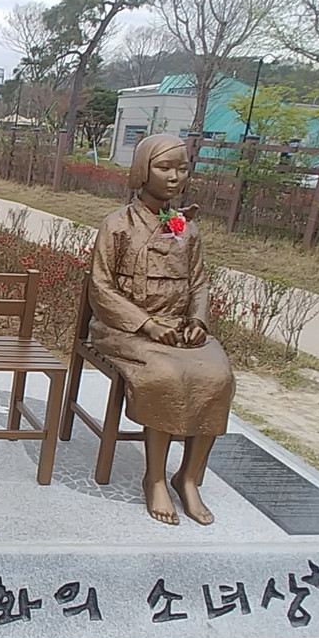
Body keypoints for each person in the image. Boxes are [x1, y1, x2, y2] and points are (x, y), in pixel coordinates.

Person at [88, 133, 235, 526]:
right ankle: (154, 476)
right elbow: (100, 288)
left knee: (217, 376)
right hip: (126, 328)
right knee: (167, 376)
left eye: (181, 168)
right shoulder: (117, 225)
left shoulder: (187, 228)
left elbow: (199, 282)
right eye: (164, 167)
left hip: (180, 328)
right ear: (142, 170)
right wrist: (147, 325)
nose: (174, 177)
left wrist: (198, 322)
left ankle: (188, 476)